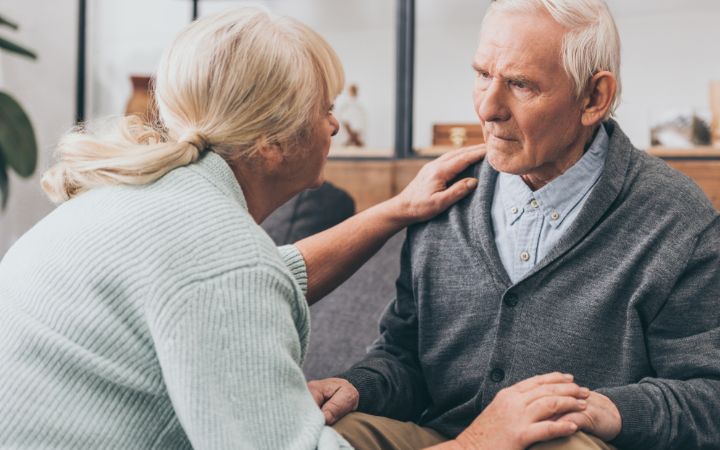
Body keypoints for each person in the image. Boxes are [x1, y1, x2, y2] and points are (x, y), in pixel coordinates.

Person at [0, 7, 491, 449]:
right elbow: (233, 278)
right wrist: (485, 442)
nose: (335, 127)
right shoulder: (220, 257)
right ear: (271, 144)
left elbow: (271, 274)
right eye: (324, 109)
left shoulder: (137, 200)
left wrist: (396, 210)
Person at [308, 1, 720, 449]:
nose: (487, 108)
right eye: (482, 74)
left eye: (520, 84)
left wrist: (607, 410)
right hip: (445, 440)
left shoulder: (675, 217)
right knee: (323, 434)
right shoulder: (444, 193)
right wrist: (359, 386)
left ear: (593, 98)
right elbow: (405, 357)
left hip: (566, 442)